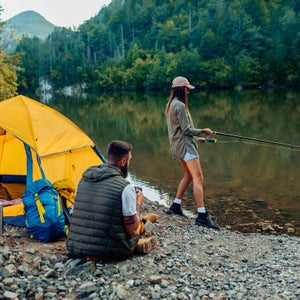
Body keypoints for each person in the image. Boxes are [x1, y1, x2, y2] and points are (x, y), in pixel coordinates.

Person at [66, 140, 158, 261]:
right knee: (136, 227)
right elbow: (132, 230)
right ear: (123, 162)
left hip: (75, 246)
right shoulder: (125, 187)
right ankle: (141, 235)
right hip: (110, 250)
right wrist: (137, 203)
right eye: (129, 161)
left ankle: (145, 221)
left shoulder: (83, 180)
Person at [165, 76, 219, 230]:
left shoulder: (172, 104)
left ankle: (175, 206)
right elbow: (186, 130)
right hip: (186, 148)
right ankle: (202, 215)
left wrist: (197, 138)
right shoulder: (180, 106)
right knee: (199, 178)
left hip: (179, 146)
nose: (189, 90)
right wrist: (203, 130)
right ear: (181, 89)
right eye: (187, 88)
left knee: (189, 176)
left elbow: (180, 130)